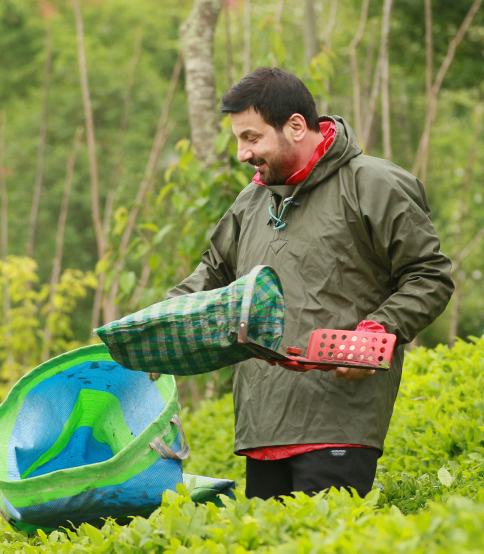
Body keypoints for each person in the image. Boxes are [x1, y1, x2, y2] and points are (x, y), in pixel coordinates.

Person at [166, 67, 454, 500]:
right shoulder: (251, 200)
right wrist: (155, 320)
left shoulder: (373, 183)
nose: (242, 154)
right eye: (239, 140)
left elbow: (429, 275)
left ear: (296, 126)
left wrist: (377, 331)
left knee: (324, 534)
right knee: (270, 536)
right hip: (261, 427)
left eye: (251, 137)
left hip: (338, 423)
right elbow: (213, 274)